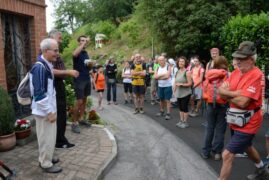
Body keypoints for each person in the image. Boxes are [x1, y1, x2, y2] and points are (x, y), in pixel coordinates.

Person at [218, 41, 267, 180]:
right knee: (247, 146)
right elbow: (220, 91)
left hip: (249, 121)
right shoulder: (234, 73)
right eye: (237, 58)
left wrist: (228, 94)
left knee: (227, 154)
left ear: (251, 59)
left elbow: (243, 102)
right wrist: (235, 93)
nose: (237, 61)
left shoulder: (256, 75)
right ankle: (262, 169)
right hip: (235, 118)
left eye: (241, 58)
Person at [30, 38, 62, 173]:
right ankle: (45, 163)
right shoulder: (40, 68)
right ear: (45, 51)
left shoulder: (46, 64)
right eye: (55, 51)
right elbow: (39, 94)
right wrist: (50, 112)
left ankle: (47, 156)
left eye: (57, 50)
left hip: (47, 110)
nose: (57, 53)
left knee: (49, 137)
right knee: (45, 138)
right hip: (44, 111)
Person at [48, 30, 79, 149]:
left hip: (59, 84)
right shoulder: (46, 53)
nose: (61, 41)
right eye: (59, 38)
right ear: (51, 38)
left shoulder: (55, 52)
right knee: (59, 113)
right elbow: (50, 70)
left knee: (62, 112)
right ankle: (59, 141)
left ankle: (60, 139)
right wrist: (68, 72)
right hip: (54, 85)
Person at [201, 56, 229, 160]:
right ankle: (217, 153)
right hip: (223, 104)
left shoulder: (209, 73)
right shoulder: (227, 74)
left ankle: (205, 152)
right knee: (220, 129)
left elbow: (204, 86)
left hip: (210, 103)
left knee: (209, 128)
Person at [72, 35, 92, 134]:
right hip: (79, 79)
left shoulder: (85, 53)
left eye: (85, 40)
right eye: (82, 40)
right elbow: (75, 54)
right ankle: (74, 123)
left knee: (84, 100)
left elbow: (87, 66)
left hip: (86, 78)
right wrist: (84, 43)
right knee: (79, 101)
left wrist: (92, 64)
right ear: (79, 42)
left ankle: (81, 119)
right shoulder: (77, 51)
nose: (84, 42)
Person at [173, 56, 192, 128]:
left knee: (184, 107)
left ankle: (185, 122)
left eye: (182, 61)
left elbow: (190, 83)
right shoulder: (177, 71)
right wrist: (174, 92)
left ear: (185, 63)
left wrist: (182, 84)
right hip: (179, 93)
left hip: (186, 93)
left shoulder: (187, 72)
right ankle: (181, 121)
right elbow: (175, 82)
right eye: (179, 61)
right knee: (180, 107)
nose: (180, 62)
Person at [154, 55, 172, 120]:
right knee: (161, 99)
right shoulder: (157, 68)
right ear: (158, 61)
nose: (161, 61)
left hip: (168, 86)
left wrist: (159, 76)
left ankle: (168, 113)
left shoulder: (168, 67)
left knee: (167, 100)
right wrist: (163, 75)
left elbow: (167, 77)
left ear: (165, 60)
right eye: (160, 60)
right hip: (160, 86)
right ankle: (161, 111)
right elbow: (155, 77)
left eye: (162, 60)